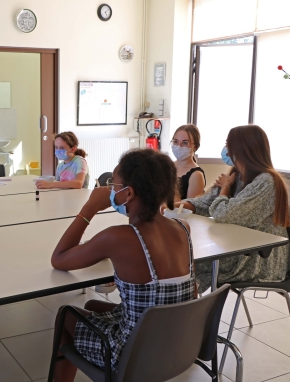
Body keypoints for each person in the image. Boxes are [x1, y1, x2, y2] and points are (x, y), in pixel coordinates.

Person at [50, 149, 196, 378]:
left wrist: (89, 208)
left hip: (132, 356)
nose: (110, 190)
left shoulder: (118, 237)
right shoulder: (182, 229)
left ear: (128, 194)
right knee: (92, 307)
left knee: (67, 314)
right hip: (176, 347)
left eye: (113, 184)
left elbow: (59, 259)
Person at [178, 125, 290, 293]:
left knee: (191, 263)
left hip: (261, 258)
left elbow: (223, 213)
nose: (225, 149)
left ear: (243, 149)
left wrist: (225, 189)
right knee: (184, 261)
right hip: (237, 248)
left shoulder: (267, 182)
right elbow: (206, 203)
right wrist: (178, 206)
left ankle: (186, 308)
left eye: (228, 144)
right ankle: (182, 304)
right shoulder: (236, 175)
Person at [171, 124, 205, 201]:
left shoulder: (196, 175)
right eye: (175, 141)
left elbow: (189, 208)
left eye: (185, 143)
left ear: (195, 147)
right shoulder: (167, 166)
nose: (178, 146)